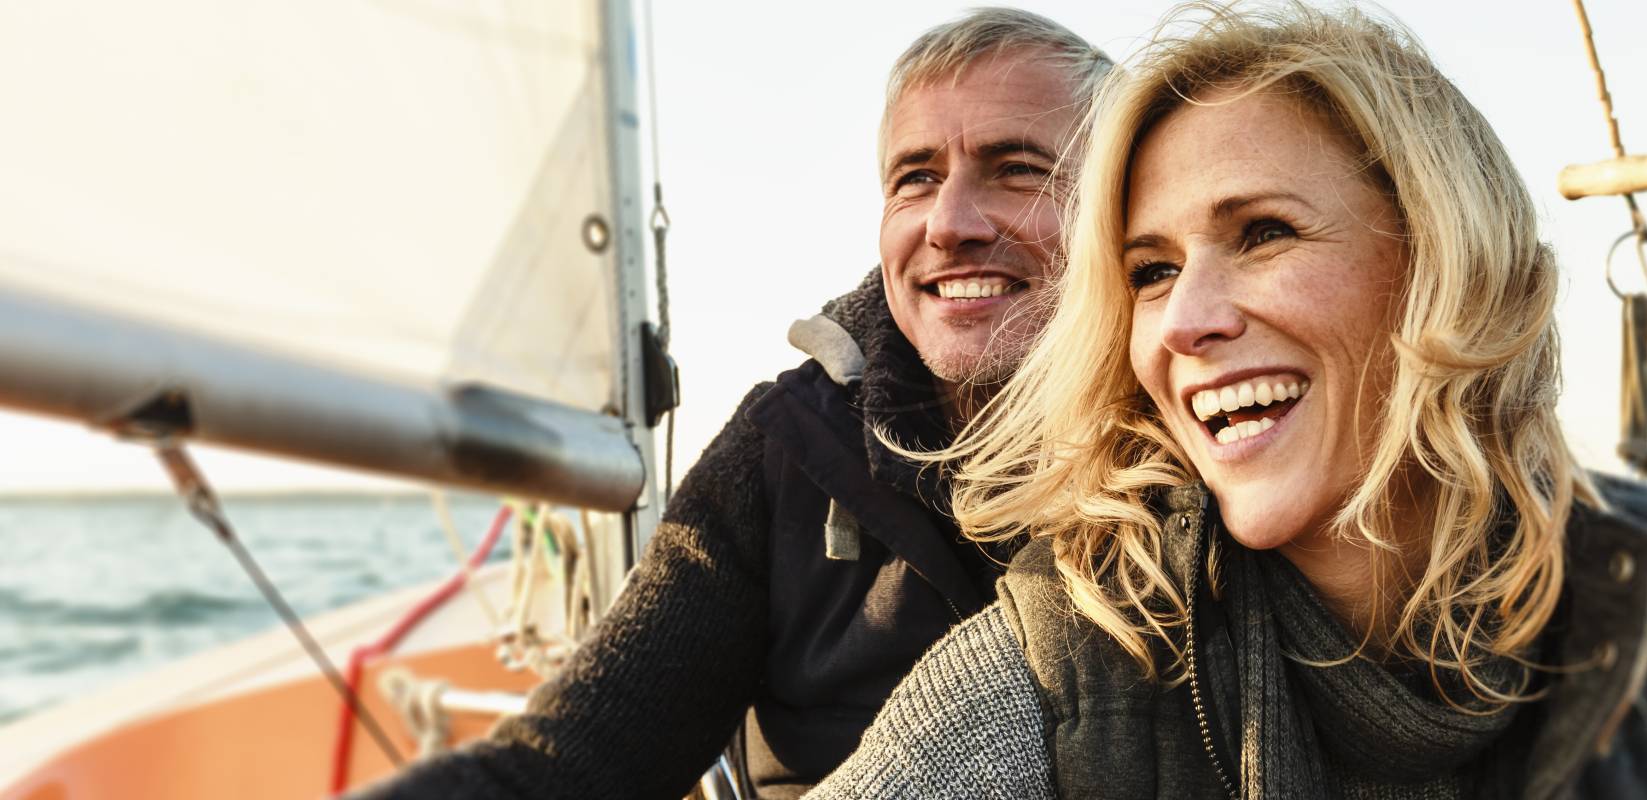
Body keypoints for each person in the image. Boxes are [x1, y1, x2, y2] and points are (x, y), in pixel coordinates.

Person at [806, 4, 1647, 798]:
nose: (1186, 318)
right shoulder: (1062, 672)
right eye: (1150, 270)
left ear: (1438, 263)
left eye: (1263, 232)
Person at [351, 8, 1112, 800]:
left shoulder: (1195, 461)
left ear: (1118, 213)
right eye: (914, 178)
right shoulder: (789, 445)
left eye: (1018, 169)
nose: (948, 223)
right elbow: (569, 765)